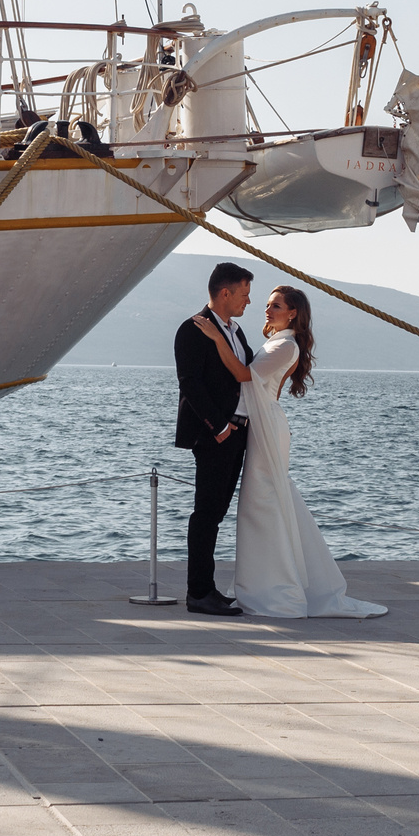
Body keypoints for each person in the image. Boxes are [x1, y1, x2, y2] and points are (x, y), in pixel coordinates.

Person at [187, 284, 387, 619]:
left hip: (268, 430)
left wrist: (216, 338)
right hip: (262, 428)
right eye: (267, 304)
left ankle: (276, 589)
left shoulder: (285, 345)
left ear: (293, 312)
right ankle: (267, 584)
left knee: (264, 504)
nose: (267, 310)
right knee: (265, 503)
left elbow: (243, 375)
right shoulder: (276, 342)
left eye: (275, 305)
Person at [171, 261, 256, 614]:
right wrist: (219, 428)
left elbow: (245, 374)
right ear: (225, 292)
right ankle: (198, 593)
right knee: (206, 514)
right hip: (215, 436)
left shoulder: (235, 331)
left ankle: (209, 588)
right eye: (244, 294)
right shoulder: (192, 329)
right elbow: (190, 384)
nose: (247, 302)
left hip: (238, 434)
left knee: (216, 514)